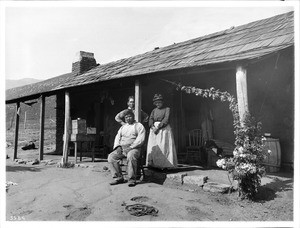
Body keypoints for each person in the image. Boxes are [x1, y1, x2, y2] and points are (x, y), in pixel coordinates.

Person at [108, 109, 146, 187]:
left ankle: (131, 179)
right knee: (111, 156)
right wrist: (118, 146)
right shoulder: (123, 127)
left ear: (133, 117)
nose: (128, 118)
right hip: (122, 148)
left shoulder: (139, 126)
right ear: (124, 119)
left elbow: (140, 139)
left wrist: (131, 147)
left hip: (135, 148)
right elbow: (117, 137)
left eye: (130, 116)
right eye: (126, 117)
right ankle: (118, 178)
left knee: (131, 156)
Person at [146, 94, 178, 169]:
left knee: (163, 146)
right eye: (156, 103)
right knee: (155, 146)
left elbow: (166, 119)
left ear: (162, 102)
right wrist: (152, 126)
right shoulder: (154, 110)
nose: (158, 104)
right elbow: (150, 119)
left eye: (159, 102)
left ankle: (165, 165)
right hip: (154, 130)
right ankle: (155, 164)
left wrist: (159, 127)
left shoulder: (167, 109)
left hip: (163, 129)